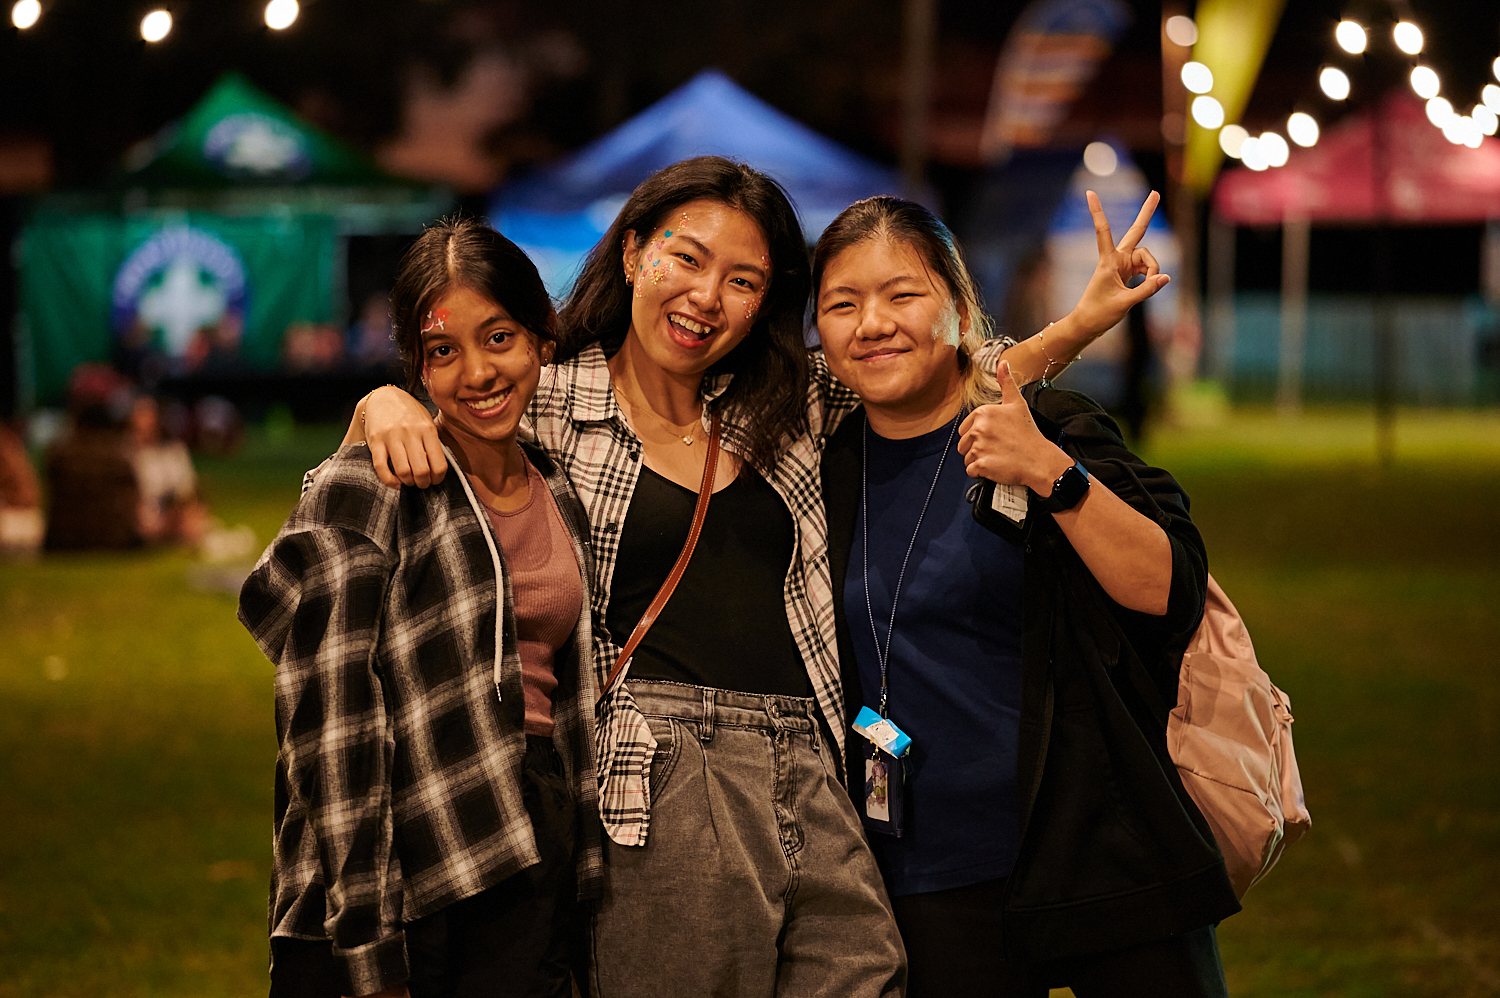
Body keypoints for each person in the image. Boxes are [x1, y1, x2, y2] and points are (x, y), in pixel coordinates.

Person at [349, 158, 1157, 997]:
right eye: (687, 259)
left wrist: (1081, 323)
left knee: (869, 976)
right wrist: (383, 403)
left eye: (744, 281)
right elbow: (447, 400)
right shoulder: (550, 402)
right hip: (659, 770)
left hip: (814, 763)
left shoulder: (787, 398)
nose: (707, 297)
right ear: (632, 253)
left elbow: (933, 369)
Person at [813, 195, 1238, 998]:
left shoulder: (1052, 424)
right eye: (843, 303)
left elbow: (1167, 592)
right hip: (927, 878)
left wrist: (1053, 474)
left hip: (1099, 843)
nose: (872, 323)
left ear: (960, 308)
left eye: (902, 294)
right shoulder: (822, 464)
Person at [238, 220, 602, 998]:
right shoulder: (375, 484)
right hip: (398, 861)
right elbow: (332, 735)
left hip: (525, 851)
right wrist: (368, 948)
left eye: (499, 336)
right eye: (443, 351)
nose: (477, 372)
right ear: (416, 366)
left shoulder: (559, 488)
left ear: (542, 336)